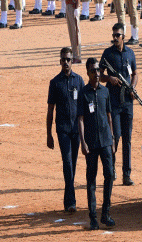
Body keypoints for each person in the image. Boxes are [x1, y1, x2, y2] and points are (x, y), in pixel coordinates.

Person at [78, 57, 116, 231]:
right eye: (93, 71)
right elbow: (80, 119)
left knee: (109, 175)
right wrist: (83, 142)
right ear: (87, 73)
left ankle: (105, 214)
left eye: (98, 71)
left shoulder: (104, 92)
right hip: (91, 143)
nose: (96, 74)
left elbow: (109, 116)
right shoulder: (83, 93)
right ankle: (93, 217)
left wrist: (113, 139)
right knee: (91, 180)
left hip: (106, 141)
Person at [98, 22, 137, 186]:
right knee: (116, 136)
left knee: (127, 139)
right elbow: (99, 75)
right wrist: (110, 79)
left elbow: (135, 73)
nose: (114, 38)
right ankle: (111, 170)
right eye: (113, 35)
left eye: (117, 35)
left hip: (127, 102)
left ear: (124, 36)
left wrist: (132, 88)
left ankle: (126, 174)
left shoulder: (130, 53)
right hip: (113, 102)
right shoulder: (108, 53)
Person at [47, 47, 84, 213]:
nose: (66, 63)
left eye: (68, 60)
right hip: (62, 129)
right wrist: (48, 135)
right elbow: (50, 111)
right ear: (60, 61)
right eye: (63, 60)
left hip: (77, 129)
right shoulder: (55, 83)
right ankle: (71, 201)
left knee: (73, 165)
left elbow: (84, 108)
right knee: (68, 163)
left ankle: (68, 198)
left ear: (72, 61)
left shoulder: (79, 81)